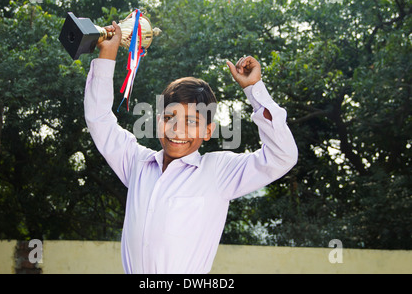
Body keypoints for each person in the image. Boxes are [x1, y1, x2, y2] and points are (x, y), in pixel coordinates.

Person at [84, 22, 298, 274]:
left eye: (192, 122)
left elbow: (282, 157)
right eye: (169, 118)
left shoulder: (218, 172)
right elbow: (99, 120)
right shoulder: (137, 165)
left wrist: (254, 90)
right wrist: (107, 55)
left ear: (209, 130)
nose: (177, 130)